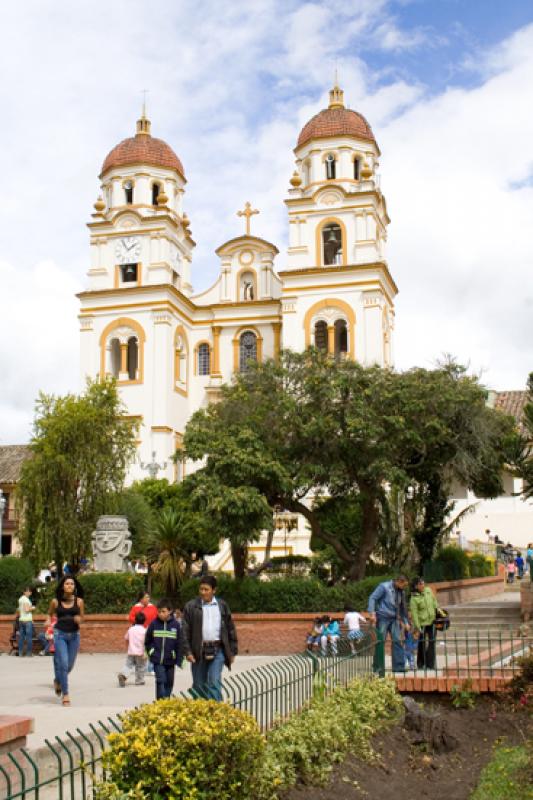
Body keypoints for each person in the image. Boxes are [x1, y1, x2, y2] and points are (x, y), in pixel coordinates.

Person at [182, 575, 238, 702]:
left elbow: (230, 628)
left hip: (218, 650)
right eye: (201, 589)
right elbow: (184, 631)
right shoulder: (191, 607)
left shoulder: (222, 605)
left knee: (214, 682)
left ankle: (216, 714)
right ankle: (200, 714)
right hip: (198, 651)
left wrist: (233, 651)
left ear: (214, 590)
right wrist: (188, 652)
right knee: (198, 685)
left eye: (206, 590)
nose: (203, 592)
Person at [48, 576, 85, 706]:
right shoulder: (55, 602)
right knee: (63, 664)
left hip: (74, 636)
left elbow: (82, 617)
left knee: (69, 666)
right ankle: (66, 694)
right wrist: (48, 621)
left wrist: (79, 620)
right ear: (63, 586)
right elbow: (50, 614)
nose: (69, 585)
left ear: (75, 587)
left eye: (72, 584)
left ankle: (58, 680)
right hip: (60, 635)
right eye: (67, 583)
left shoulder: (79, 602)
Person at [368, 575, 409, 675]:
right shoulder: (384, 587)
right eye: (404, 585)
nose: (404, 587)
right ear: (399, 581)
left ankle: (399, 667)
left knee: (397, 641)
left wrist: (406, 622)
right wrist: (372, 613)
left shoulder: (401, 592)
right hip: (383, 617)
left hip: (394, 619)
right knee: (380, 641)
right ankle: (378, 666)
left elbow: (403, 608)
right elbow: (372, 598)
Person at [145, 599, 182, 700]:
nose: (161, 614)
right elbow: (148, 640)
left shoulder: (176, 625)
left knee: (169, 682)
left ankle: (166, 701)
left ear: (170, 611)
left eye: (163, 611)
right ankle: (160, 702)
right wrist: (152, 652)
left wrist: (179, 659)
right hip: (157, 660)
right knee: (161, 680)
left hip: (170, 660)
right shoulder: (154, 624)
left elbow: (179, 642)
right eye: (159, 611)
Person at [409, 577, 438, 671]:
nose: (423, 585)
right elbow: (414, 613)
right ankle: (421, 663)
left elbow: (434, 601)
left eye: (423, 583)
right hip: (422, 623)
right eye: (420, 584)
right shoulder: (414, 598)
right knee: (421, 643)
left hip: (432, 621)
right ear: (416, 586)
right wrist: (418, 626)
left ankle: (431, 664)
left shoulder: (428, 591)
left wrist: (437, 610)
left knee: (432, 642)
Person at [128, 591, 158, 674]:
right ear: (141, 599)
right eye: (146, 597)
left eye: (148, 597)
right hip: (139, 631)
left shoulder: (153, 607)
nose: (148, 599)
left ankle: (151, 668)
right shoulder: (136, 607)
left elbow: (156, 618)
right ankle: (139, 667)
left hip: (150, 631)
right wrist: (139, 621)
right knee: (140, 650)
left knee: (151, 648)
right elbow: (131, 617)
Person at [118, 611, 147, 687]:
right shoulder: (144, 631)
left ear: (135, 620)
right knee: (140, 666)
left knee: (128, 665)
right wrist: (146, 652)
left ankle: (123, 675)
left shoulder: (131, 629)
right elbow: (146, 642)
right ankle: (139, 680)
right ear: (144, 621)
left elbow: (126, 639)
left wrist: (127, 648)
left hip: (131, 651)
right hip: (141, 652)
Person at [17, 587, 35, 657]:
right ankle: (29, 653)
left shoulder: (20, 599)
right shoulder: (26, 600)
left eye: (30, 592)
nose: (30, 593)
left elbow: (19, 610)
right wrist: (33, 608)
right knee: (29, 637)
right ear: (24, 592)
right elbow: (27, 610)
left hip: (21, 620)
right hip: (27, 621)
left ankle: (20, 653)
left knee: (21, 637)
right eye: (28, 591)